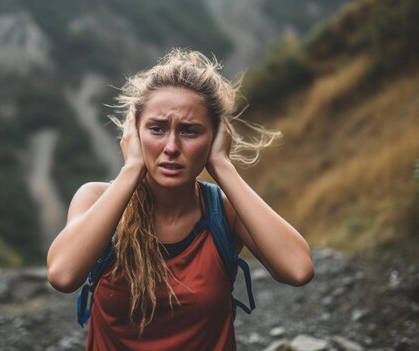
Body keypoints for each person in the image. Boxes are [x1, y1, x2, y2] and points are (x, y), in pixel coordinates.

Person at [47, 49, 314, 350]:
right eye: (157, 129)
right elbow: (63, 275)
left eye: (190, 131)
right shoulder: (96, 198)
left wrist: (223, 167)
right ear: (134, 135)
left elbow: (298, 269)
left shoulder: (223, 212)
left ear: (214, 139)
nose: (172, 147)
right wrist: (132, 168)